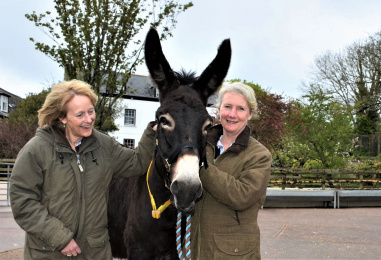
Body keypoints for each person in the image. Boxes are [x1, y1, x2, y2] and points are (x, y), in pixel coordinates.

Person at [10, 79, 156, 259]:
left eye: (91, 111)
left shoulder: (104, 145)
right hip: (49, 253)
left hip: (94, 253)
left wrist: (153, 131)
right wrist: (59, 237)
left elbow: (138, 162)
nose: (89, 120)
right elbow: (22, 201)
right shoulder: (36, 150)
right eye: (80, 115)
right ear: (62, 117)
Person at [192, 82, 272, 259]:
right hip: (198, 247)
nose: (232, 114)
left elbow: (241, 196)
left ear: (250, 114)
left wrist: (201, 166)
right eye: (227, 106)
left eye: (241, 109)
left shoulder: (259, 155)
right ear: (219, 109)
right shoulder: (201, 144)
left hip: (234, 252)